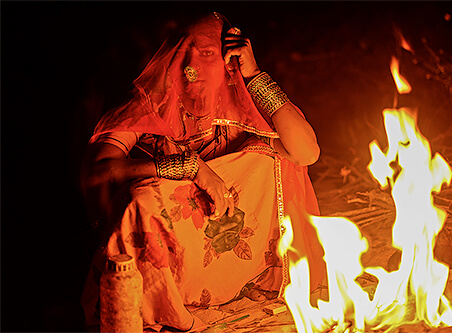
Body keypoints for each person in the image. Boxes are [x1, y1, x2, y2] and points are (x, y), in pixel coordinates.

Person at [81, 12, 323, 332]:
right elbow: (96, 172)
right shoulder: (150, 102)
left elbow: (307, 153)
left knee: (276, 158)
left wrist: (253, 74)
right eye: (184, 52)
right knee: (143, 199)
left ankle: (258, 281)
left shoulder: (244, 96)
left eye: (207, 53)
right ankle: (161, 305)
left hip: (226, 233)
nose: (192, 65)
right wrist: (186, 168)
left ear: (227, 60)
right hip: (172, 251)